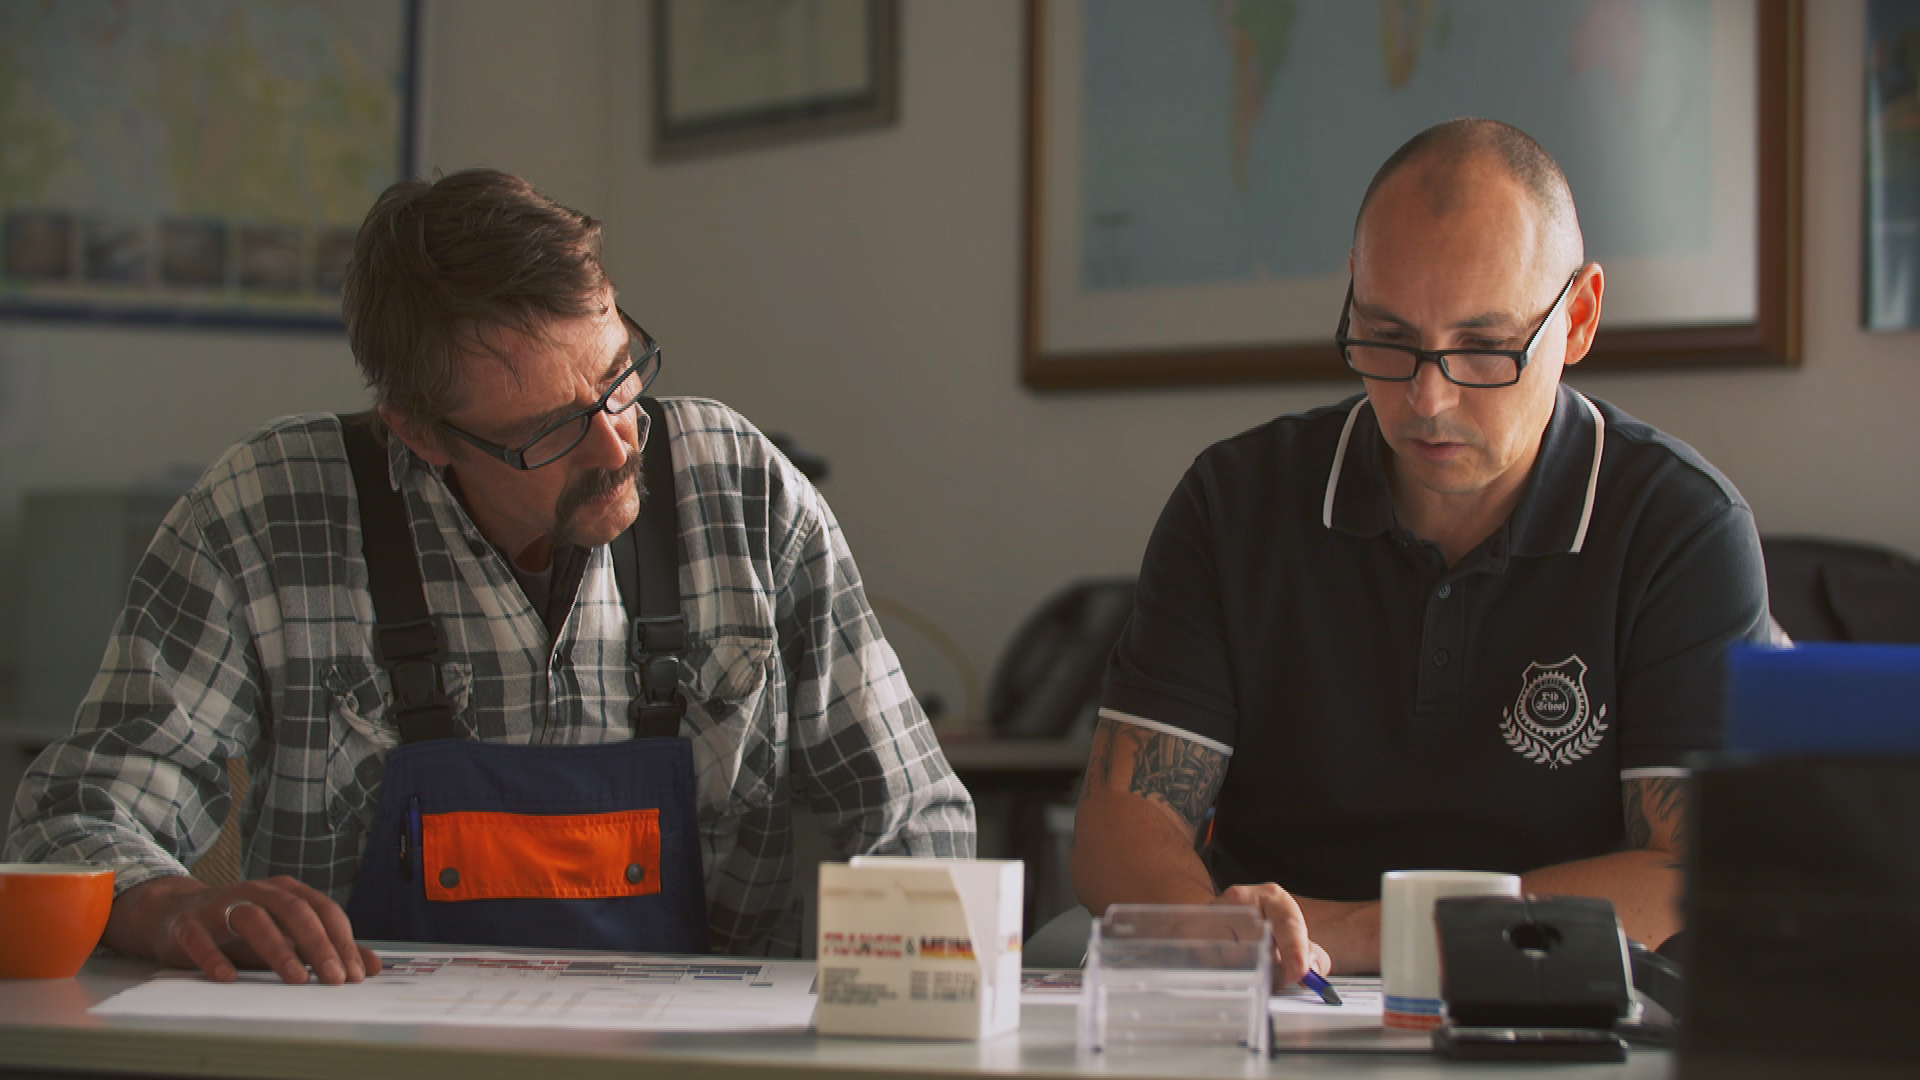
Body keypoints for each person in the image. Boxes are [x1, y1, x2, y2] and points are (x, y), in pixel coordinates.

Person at [5, 169, 974, 984]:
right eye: (551, 430)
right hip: (356, 1055)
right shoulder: (264, 513)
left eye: (620, 376)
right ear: (420, 434)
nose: (616, 445)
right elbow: (74, 822)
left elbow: (912, 818)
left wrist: (903, 1011)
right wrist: (174, 908)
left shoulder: (742, 490)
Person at [1071, 119, 1769, 987]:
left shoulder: (1679, 527)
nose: (1428, 399)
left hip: (1552, 999)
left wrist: (1361, 933)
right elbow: (1120, 821)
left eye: (1483, 347)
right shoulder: (1237, 502)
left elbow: (1689, 877)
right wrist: (1210, 929)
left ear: (1579, 318)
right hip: (1279, 997)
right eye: (1389, 338)